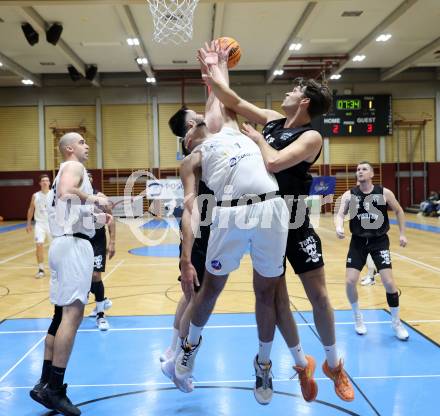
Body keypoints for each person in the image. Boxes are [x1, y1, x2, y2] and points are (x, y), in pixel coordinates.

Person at [200, 54, 354, 401]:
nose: (286, 92)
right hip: (264, 220)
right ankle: (301, 365)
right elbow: (234, 101)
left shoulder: (311, 136)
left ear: (304, 100)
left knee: (319, 296)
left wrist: (258, 139)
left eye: (294, 89)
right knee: (276, 299)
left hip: (294, 217)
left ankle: (333, 364)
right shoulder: (271, 119)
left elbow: (273, 161)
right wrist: (214, 69)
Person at [29, 132, 112, 416]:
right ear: (69, 149)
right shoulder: (73, 167)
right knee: (73, 315)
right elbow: (66, 192)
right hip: (73, 247)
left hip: (63, 244)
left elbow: (67, 204)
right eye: (81, 142)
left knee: (58, 316)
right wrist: (94, 196)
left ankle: (43, 383)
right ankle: (54, 388)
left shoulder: (67, 171)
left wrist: (96, 214)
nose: (87, 145)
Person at [335, 161, 409, 340]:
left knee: (389, 283)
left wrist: (402, 234)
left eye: (364, 169)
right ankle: (358, 318)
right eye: (358, 169)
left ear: (372, 174)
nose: (359, 172)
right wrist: (339, 227)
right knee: (350, 281)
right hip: (358, 242)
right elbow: (339, 214)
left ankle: (396, 323)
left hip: (379, 241)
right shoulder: (349, 194)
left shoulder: (384, 192)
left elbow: (399, 211)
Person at [87, 172, 115, 331]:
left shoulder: (101, 197)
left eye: (90, 177)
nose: (88, 179)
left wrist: (112, 242)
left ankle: (101, 314)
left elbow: (111, 221)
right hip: (81, 241)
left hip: (98, 240)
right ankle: (102, 300)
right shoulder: (75, 199)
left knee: (96, 275)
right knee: (84, 278)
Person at [26, 174, 52, 278]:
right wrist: (28, 223)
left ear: (49, 183)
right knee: (39, 246)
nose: (45, 182)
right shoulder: (35, 195)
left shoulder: (54, 194)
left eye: (47, 180)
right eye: (43, 181)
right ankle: (41, 269)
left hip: (51, 224)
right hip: (40, 224)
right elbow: (31, 209)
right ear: (40, 183)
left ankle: (56, 269)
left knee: (54, 248)